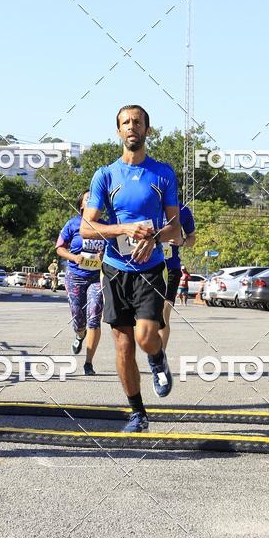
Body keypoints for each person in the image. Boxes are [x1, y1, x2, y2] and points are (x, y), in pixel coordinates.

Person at [80, 104, 180, 433]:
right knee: (123, 344)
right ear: (118, 131)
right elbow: (86, 227)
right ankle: (138, 412)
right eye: (125, 122)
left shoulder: (162, 174)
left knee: (146, 336)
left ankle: (156, 359)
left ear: (148, 130)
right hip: (114, 269)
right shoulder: (105, 175)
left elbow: (176, 229)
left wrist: (153, 236)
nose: (131, 127)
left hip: (150, 268)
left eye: (137, 122)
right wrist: (123, 229)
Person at [56, 191, 105, 376]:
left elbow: (115, 251)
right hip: (75, 276)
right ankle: (79, 334)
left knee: (94, 316)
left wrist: (104, 256)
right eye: (88, 199)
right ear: (82, 205)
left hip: (97, 278)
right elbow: (59, 248)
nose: (92, 201)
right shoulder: (73, 224)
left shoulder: (106, 226)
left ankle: (88, 363)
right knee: (79, 319)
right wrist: (74, 257)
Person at [161, 202, 196, 350]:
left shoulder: (182, 210)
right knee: (145, 318)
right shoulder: (144, 204)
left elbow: (192, 238)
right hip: (145, 267)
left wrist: (181, 241)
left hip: (171, 268)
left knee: (163, 315)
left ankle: (159, 358)